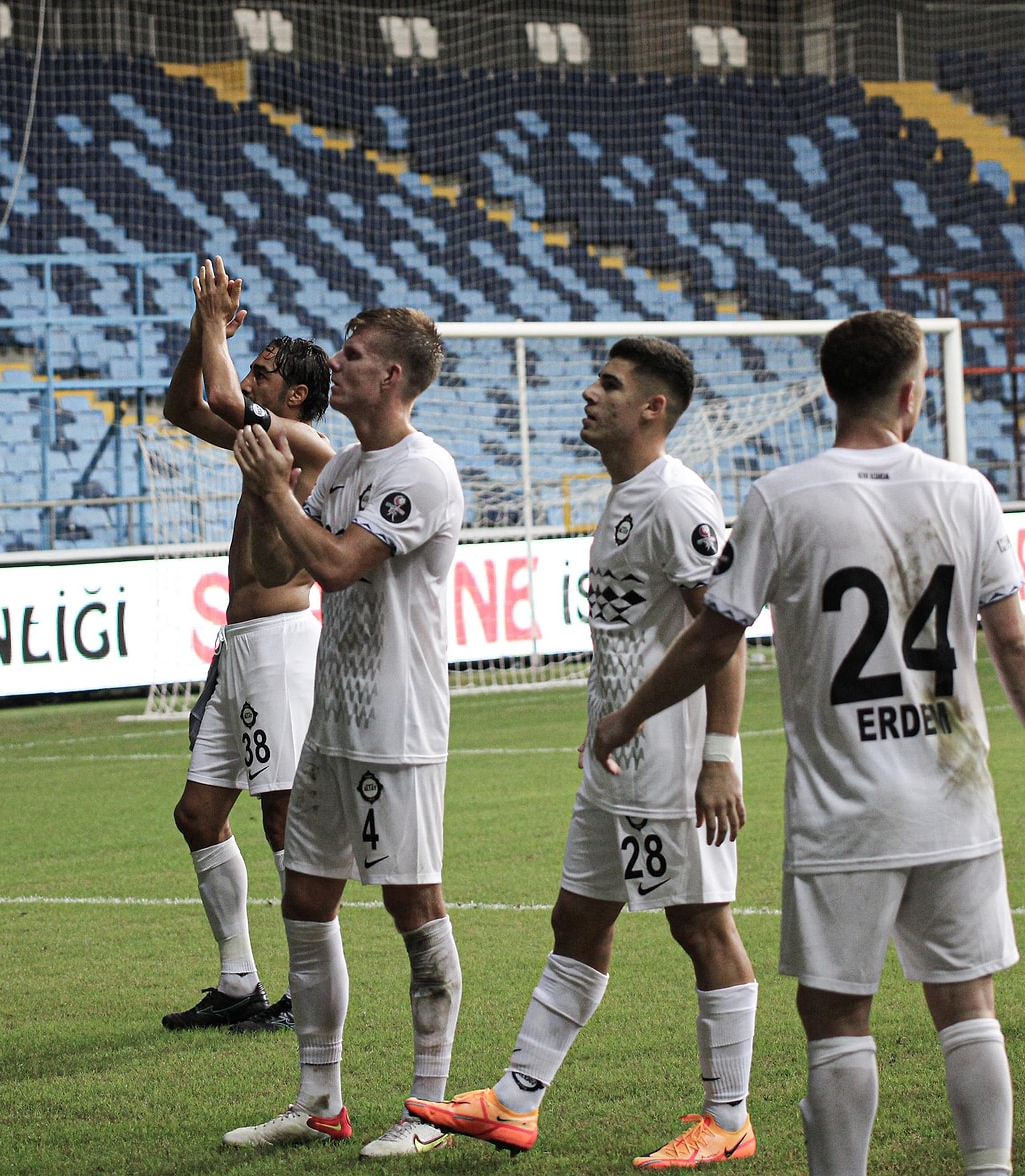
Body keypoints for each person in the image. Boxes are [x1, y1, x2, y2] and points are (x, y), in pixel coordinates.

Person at [593, 310, 1025, 1176]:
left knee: (836, 1019)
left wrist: (629, 713)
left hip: (845, 810)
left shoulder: (782, 497)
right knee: (967, 1006)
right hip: (955, 793)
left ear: (827, 388)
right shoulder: (970, 490)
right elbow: (1012, 641)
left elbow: (715, 637)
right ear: (914, 392)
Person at [408, 336, 758, 1169]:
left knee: (701, 924)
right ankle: (516, 1102)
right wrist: (604, 721)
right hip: (615, 757)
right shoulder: (624, 494)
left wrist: (718, 755)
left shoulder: (678, 500)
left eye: (610, 384)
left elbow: (728, 633)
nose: (589, 395)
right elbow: (638, 635)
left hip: (670, 758)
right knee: (578, 917)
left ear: (653, 408)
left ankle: (729, 1119)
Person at [223, 307, 465, 1158]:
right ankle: (319, 1100)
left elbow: (333, 565)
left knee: (413, 906)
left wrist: (276, 490)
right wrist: (268, 492)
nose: (337, 362)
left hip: (397, 726)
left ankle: (428, 1108)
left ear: (391, 376)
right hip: (332, 718)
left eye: (354, 355)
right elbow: (272, 567)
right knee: (305, 896)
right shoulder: (352, 464)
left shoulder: (421, 471)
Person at [160, 256, 333, 1034]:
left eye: (264, 370)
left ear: (292, 393)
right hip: (240, 645)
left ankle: (308, 990)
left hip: (283, 645)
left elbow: (223, 399)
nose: (251, 379)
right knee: (199, 814)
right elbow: (184, 406)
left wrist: (211, 327)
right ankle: (238, 983)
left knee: (281, 820)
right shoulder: (261, 436)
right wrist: (203, 340)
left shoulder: (303, 442)